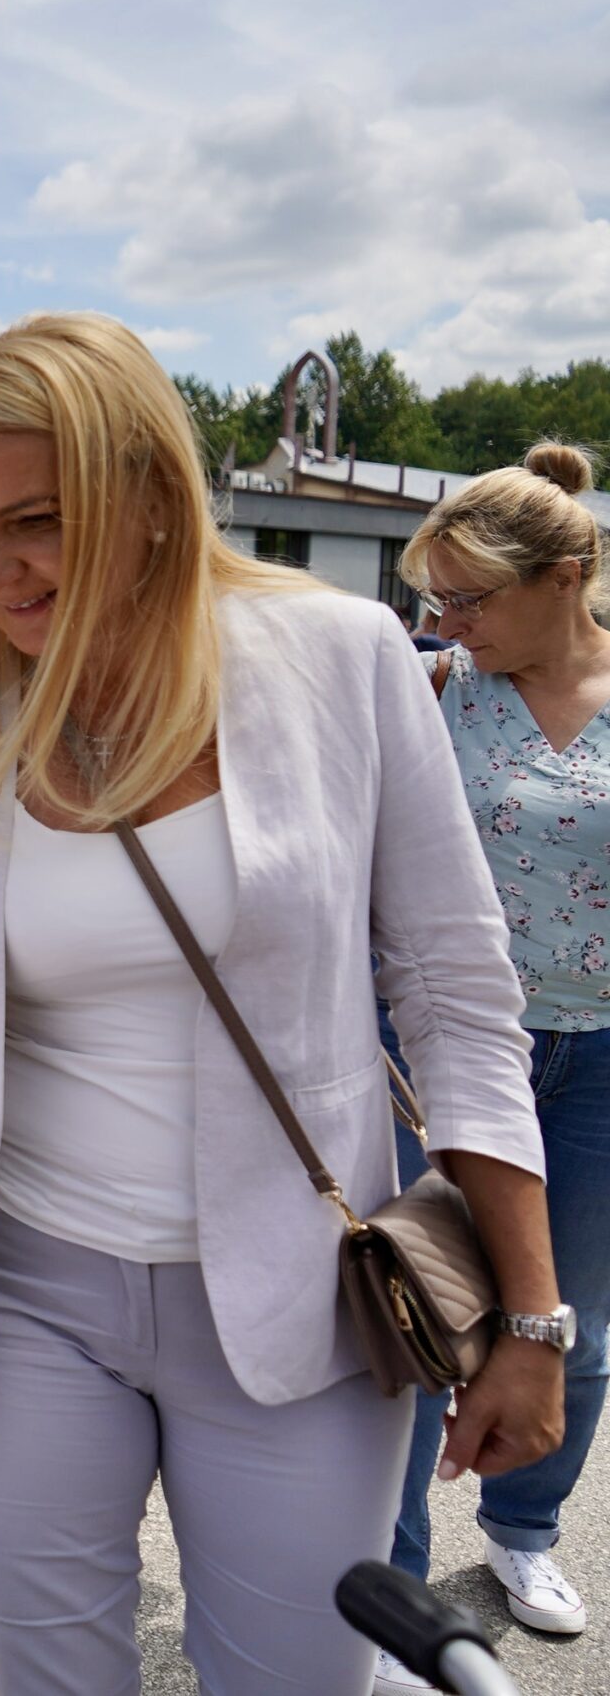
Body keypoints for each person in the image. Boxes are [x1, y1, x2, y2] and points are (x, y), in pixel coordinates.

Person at [0, 313, 560, 1696]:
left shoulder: (339, 657)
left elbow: (457, 996)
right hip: (23, 1293)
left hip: (303, 1293)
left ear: (151, 494)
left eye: (35, 520)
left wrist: (530, 1317)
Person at [371, 443, 610, 1691]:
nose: (447, 620)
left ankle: (523, 1532)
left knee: (569, 1322)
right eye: (435, 597)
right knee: (415, 1307)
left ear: (565, 577)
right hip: (433, 1051)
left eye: (468, 597)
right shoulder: (428, 688)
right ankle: (397, 1579)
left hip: (601, 1057)